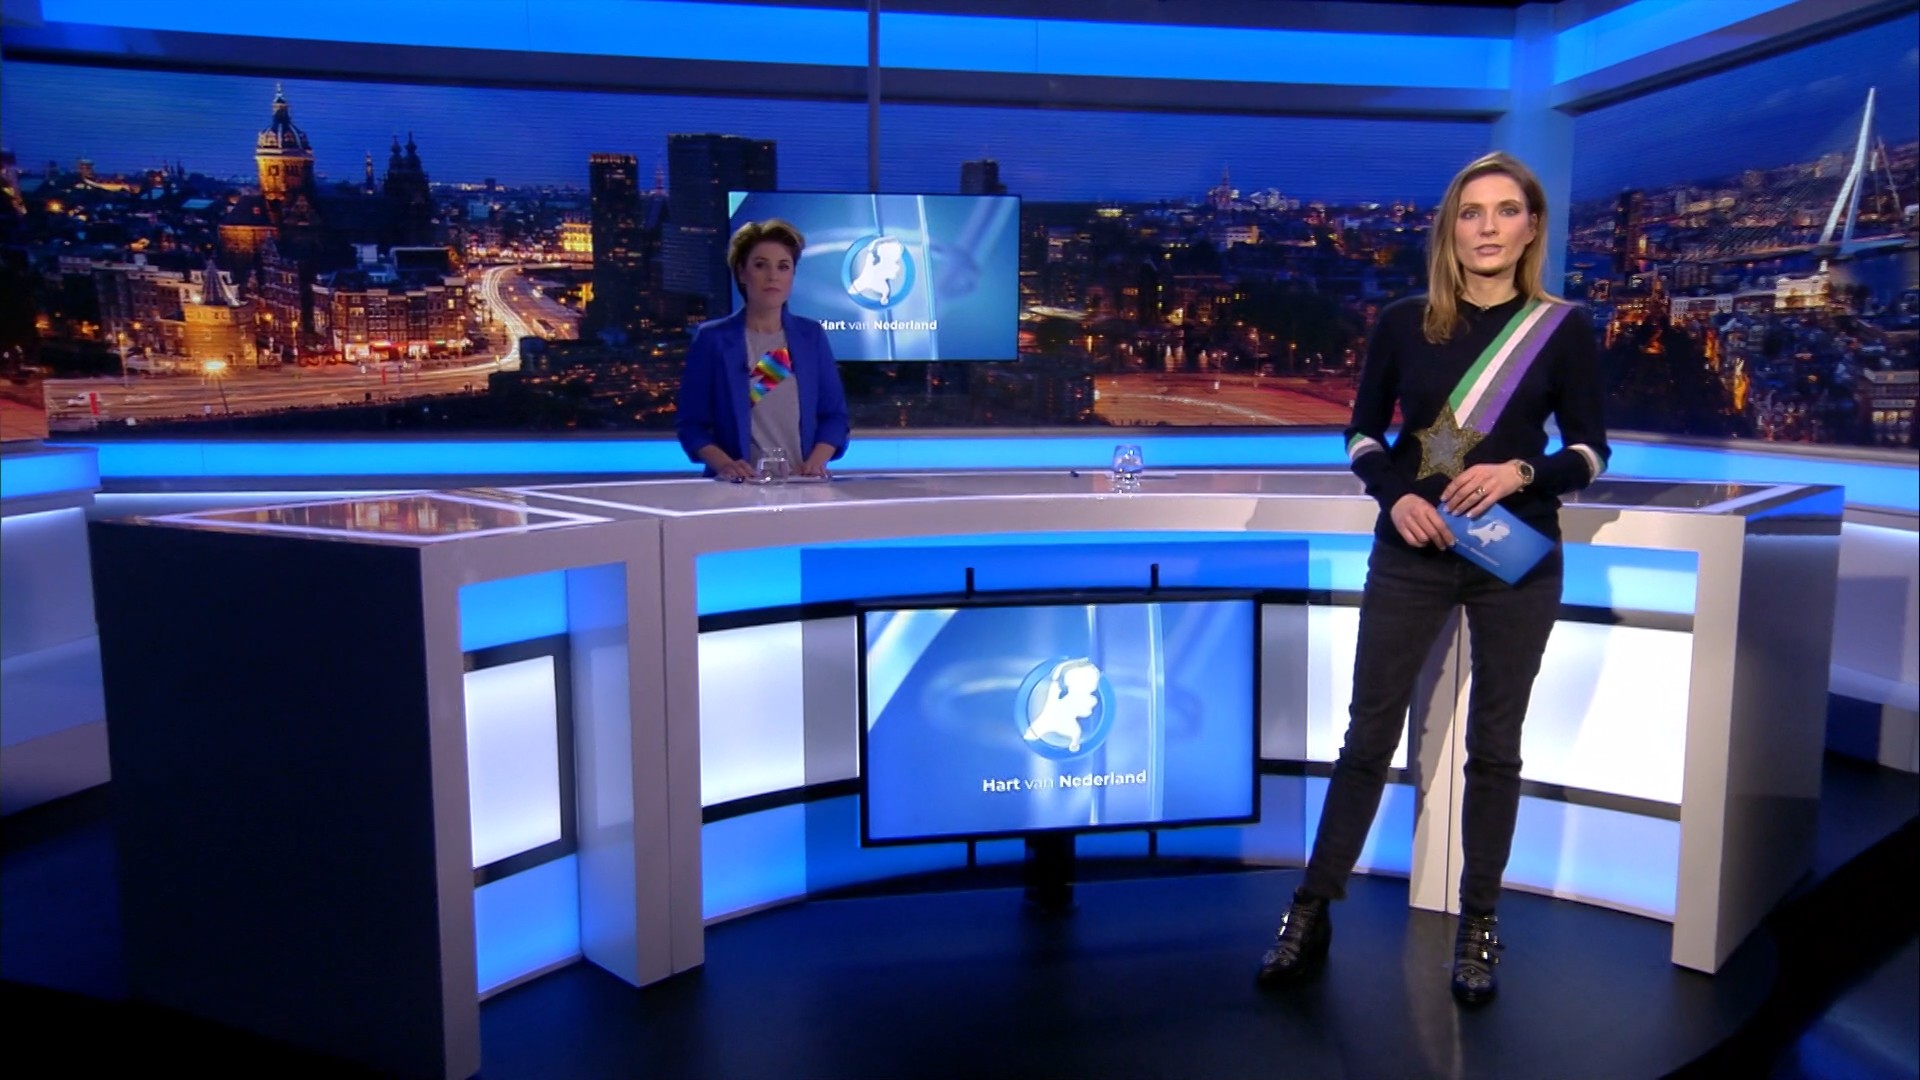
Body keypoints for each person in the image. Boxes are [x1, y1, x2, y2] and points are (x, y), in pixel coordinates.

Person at [1256, 151, 1610, 1005]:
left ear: (1531, 227)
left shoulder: (1562, 328)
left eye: (1506, 211)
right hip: (1412, 551)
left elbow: (1591, 451)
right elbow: (1360, 435)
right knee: (1368, 735)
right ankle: (1311, 908)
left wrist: (1522, 473)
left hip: (1514, 556)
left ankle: (1478, 923)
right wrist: (1396, 497)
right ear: (1450, 228)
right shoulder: (1402, 322)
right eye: (1471, 212)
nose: (1488, 228)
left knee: (1496, 744)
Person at [677, 219, 850, 480]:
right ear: (741, 273)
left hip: (802, 484)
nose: (773, 276)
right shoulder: (713, 339)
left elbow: (834, 417)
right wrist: (726, 466)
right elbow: (691, 425)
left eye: (783, 267)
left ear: (792, 275)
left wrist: (815, 463)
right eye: (760, 265)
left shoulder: (810, 337)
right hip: (736, 488)